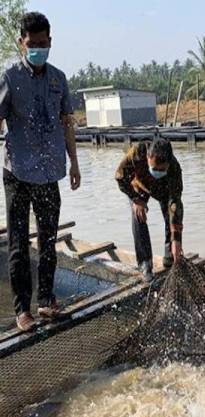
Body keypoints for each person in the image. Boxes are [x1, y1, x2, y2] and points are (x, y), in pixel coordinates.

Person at [1, 12, 80, 332]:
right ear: (22, 43)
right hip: (18, 173)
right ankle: (23, 310)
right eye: (32, 44)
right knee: (19, 244)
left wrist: (74, 161)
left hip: (50, 172)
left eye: (43, 44)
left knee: (49, 242)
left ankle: (46, 301)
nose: (38, 49)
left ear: (50, 42)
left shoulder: (58, 79)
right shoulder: (8, 78)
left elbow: (67, 122)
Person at [115, 138, 184, 281]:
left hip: (162, 190)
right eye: (155, 168)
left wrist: (176, 239)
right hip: (139, 187)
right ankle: (145, 263)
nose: (158, 171)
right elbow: (120, 177)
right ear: (147, 157)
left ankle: (170, 254)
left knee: (169, 214)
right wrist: (135, 199)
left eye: (162, 169)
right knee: (138, 215)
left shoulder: (174, 169)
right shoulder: (137, 153)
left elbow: (175, 204)